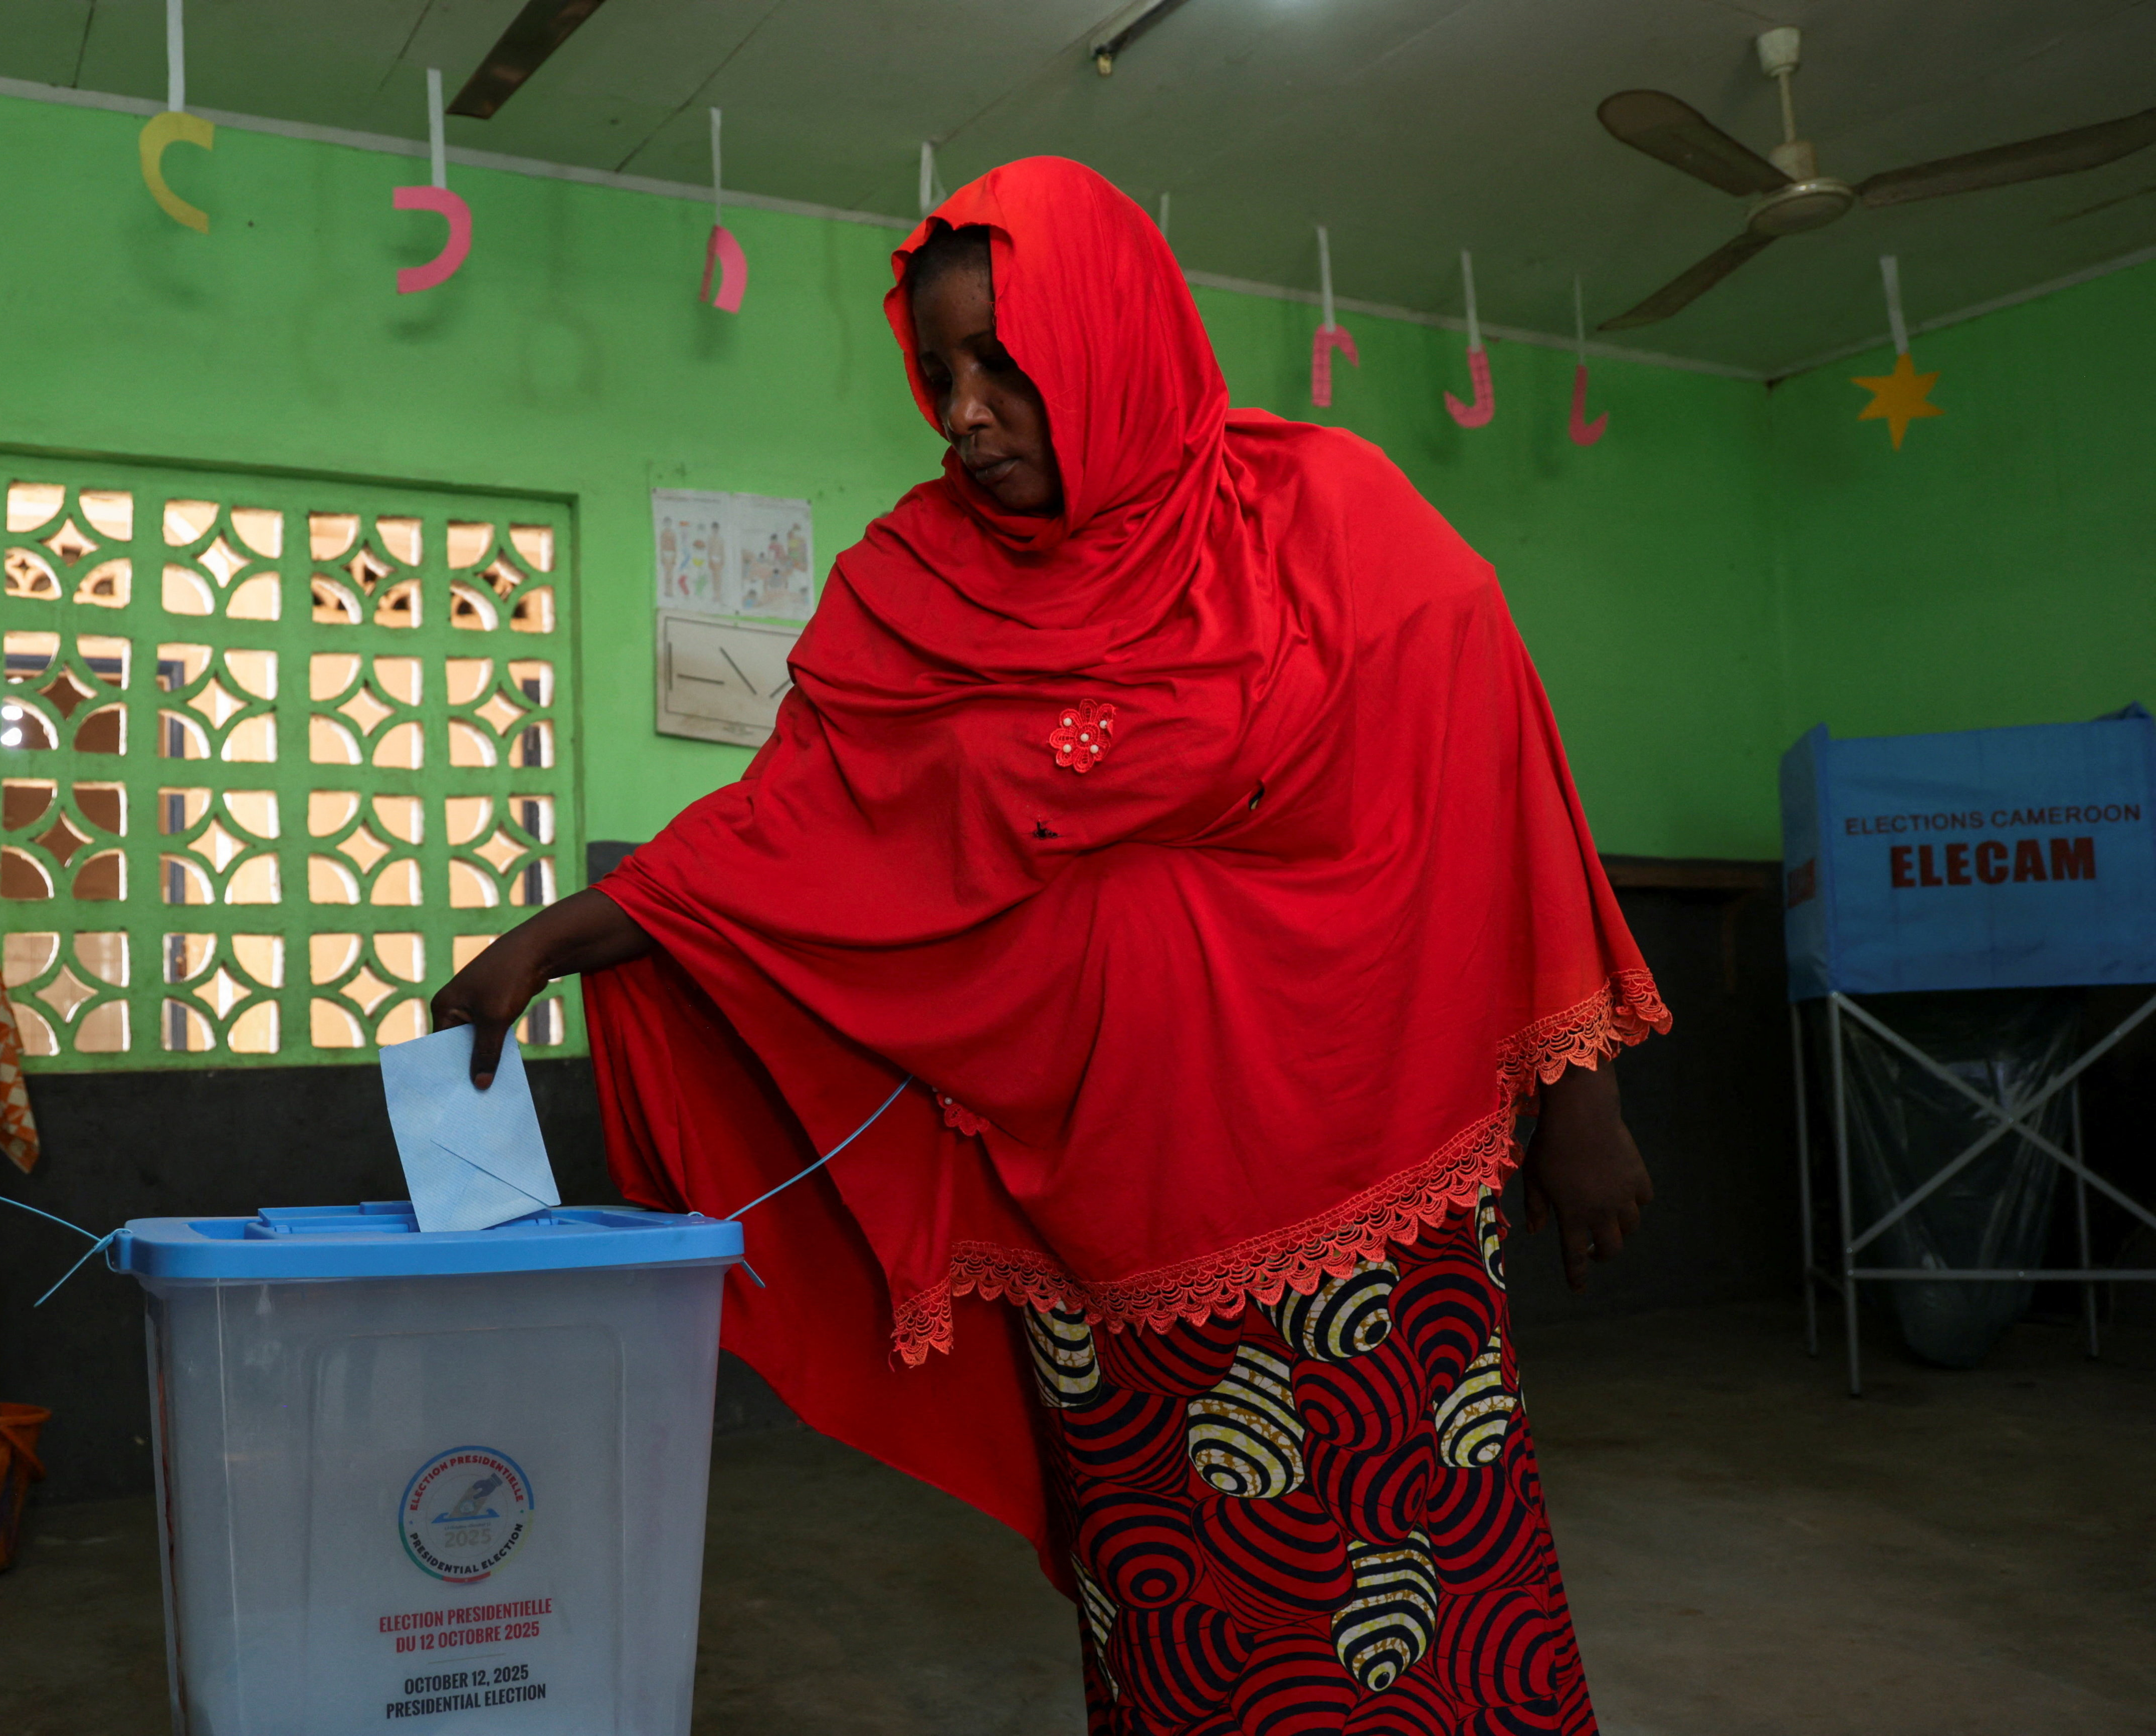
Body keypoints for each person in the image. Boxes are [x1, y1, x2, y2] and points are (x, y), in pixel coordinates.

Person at [433, 156, 1665, 1736]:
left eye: (1002, 364)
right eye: (937, 371)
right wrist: (554, 940)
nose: (960, 413)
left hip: (1365, 1185)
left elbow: (1497, 784)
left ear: (1116, 338)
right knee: (1171, 1627)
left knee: (1417, 1600)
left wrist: (1581, 1098)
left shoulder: (1335, 522)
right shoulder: (913, 583)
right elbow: (795, 825)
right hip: (1090, 1211)